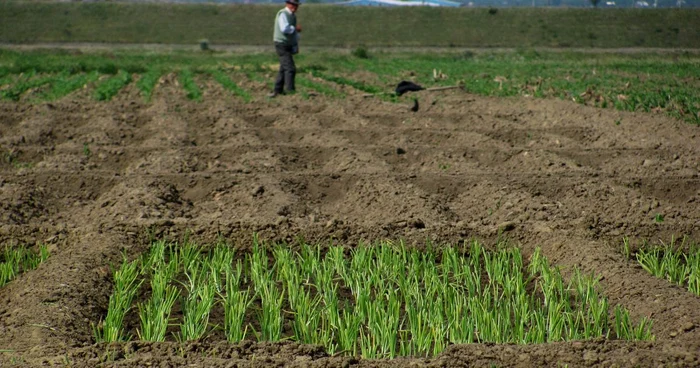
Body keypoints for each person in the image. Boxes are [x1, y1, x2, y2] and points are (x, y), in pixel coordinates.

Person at [269, 0, 302, 98]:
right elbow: (284, 28)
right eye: (293, 5)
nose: (295, 7)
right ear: (287, 4)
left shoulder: (292, 16)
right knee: (290, 68)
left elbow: (294, 34)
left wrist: (295, 44)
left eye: (296, 5)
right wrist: (295, 29)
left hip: (287, 44)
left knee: (283, 68)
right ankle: (290, 91)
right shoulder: (283, 14)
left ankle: (277, 90)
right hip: (281, 43)